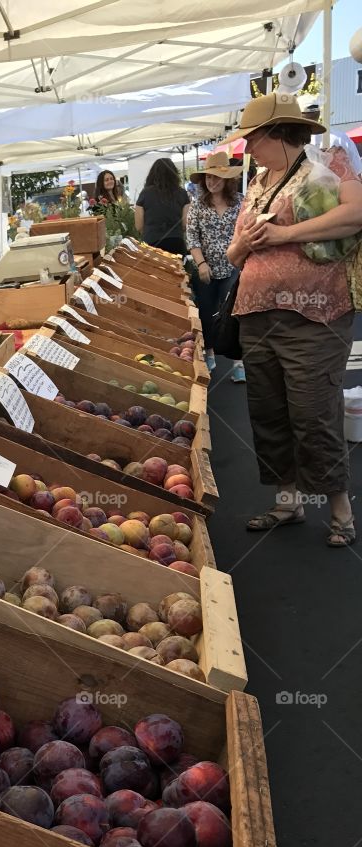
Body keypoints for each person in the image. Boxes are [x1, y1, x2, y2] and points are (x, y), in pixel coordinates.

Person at [226, 91, 362, 547]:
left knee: (313, 414)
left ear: (276, 133)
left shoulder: (329, 163)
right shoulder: (257, 183)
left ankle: (340, 511)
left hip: (314, 315)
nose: (247, 147)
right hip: (255, 315)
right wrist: (246, 242)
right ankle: (288, 502)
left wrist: (284, 233)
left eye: (252, 138)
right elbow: (233, 255)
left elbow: (356, 214)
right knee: (268, 413)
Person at [185, 151, 245, 379]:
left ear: (227, 179)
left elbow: (246, 231)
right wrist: (201, 263)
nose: (212, 181)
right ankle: (209, 353)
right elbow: (192, 238)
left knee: (234, 314)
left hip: (234, 268)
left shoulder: (240, 202)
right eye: (208, 177)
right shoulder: (198, 205)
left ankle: (238, 363)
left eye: (216, 177)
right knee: (207, 313)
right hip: (206, 270)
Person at [135, 159, 190, 255]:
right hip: (176, 242)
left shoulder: (144, 193)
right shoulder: (182, 193)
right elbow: (185, 224)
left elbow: (139, 226)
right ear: (174, 173)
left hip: (151, 243)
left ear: (152, 174)